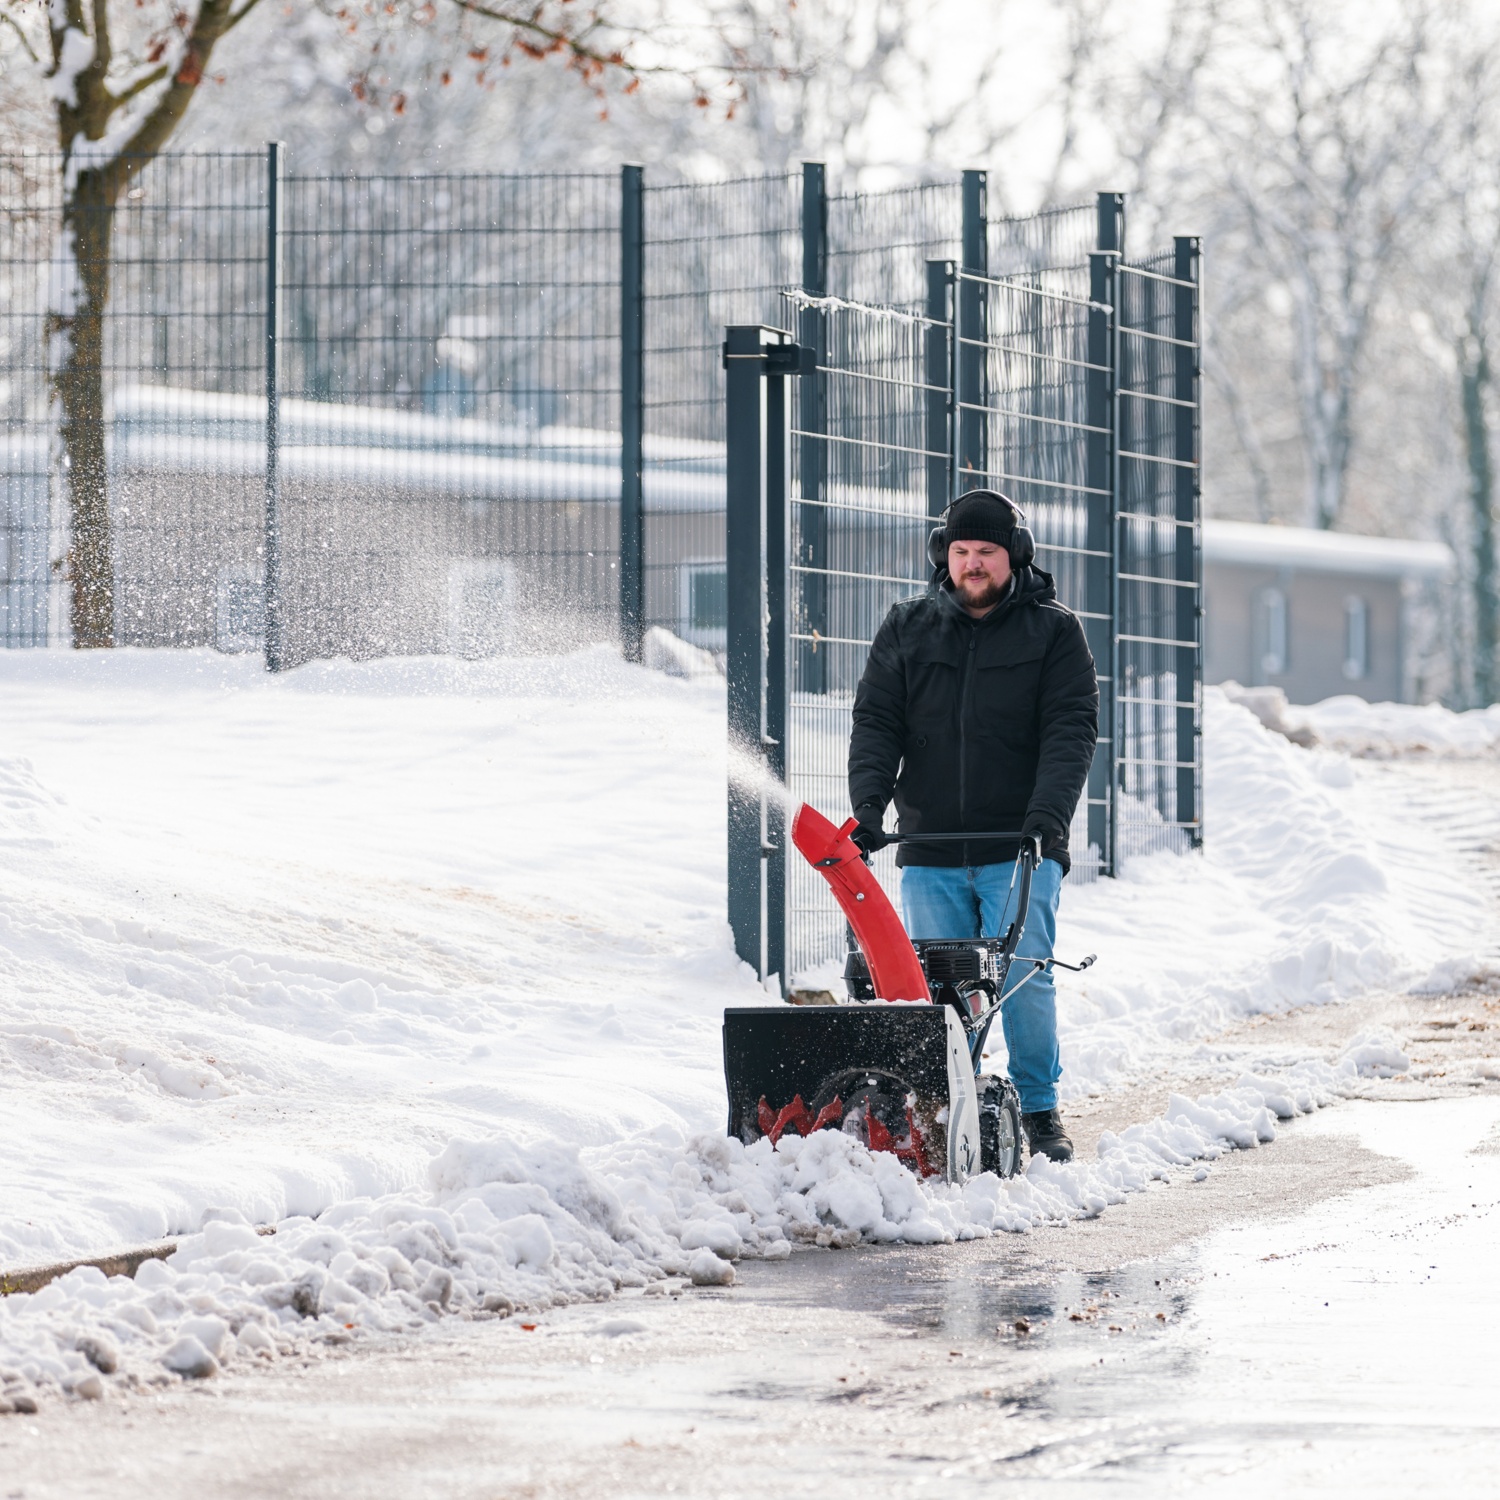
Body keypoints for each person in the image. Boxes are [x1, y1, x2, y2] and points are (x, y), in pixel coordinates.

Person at [847, 489, 1099, 1162]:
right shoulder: (907, 627)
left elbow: (1070, 731)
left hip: (1020, 845)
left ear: (1013, 556)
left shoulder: (1053, 632)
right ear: (944, 556)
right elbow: (877, 722)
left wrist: (1046, 821)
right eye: (961, 551)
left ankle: (1040, 1110)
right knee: (935, 986)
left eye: (986, 551)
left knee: (1021, 973)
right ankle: (943, 1104)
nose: (972, 564)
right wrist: (868, 809)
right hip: (928, 843)